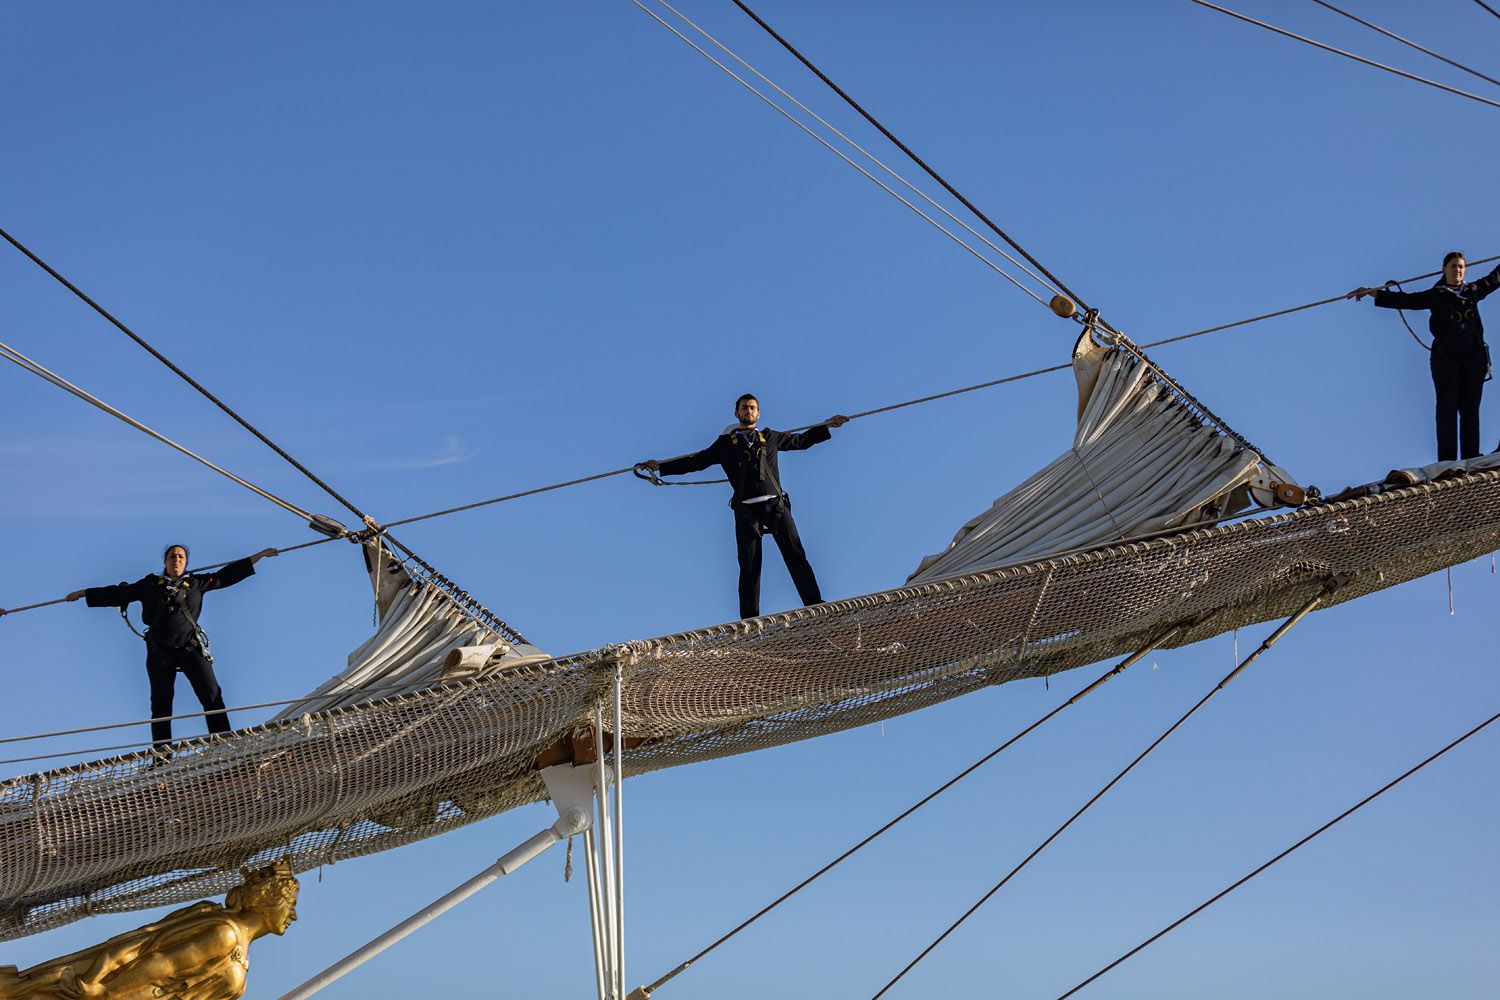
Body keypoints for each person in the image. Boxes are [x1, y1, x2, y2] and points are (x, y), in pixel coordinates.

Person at [639, 393, 849, 619]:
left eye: (752, 408)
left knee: (795, 554)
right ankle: (749, 619)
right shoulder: (724, 445)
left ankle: (814, 602)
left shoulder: (770, 437)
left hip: (776, 506)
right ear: (736, 413)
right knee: (749, 567)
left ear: (758, 413)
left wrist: (827, 426)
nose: (748, 411)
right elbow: (696, 461)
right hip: (747, 512)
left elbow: (801, 442)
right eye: (744, 408)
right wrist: (660, 467)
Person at [65, 544, 277, 748]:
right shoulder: (149, 585)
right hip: (160, 651)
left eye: (180, 557)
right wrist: (85, 593)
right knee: (160, 704)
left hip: (189, 648)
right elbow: (121, 593)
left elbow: (227, 575)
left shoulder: (197, 583)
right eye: (172, 557)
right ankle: (161, 758)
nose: (176, 560)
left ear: (186, 563)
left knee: (212, 694)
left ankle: (222, 742)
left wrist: (259, 556)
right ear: (165, 562)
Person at [0, 860, 298, 1000]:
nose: (293, 915)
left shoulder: (239, 950)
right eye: (290, 903)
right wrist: (104, 990)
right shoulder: (226, 934)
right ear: (267, 898)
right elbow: (159, 961)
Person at [1353, 251, 1500, 462]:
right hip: (1446, 360)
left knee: (1470, 407)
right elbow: (1408, 300)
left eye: (1460, 267)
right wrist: (1374, 293)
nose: (1457, 270)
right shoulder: (1436, 295)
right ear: (1444, 269)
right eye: (1453, 266)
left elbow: (1495, 278)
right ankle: (1447, 460)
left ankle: (1471, 457)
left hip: (1473, 358)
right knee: (1447, 407)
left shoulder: (1473, 291)